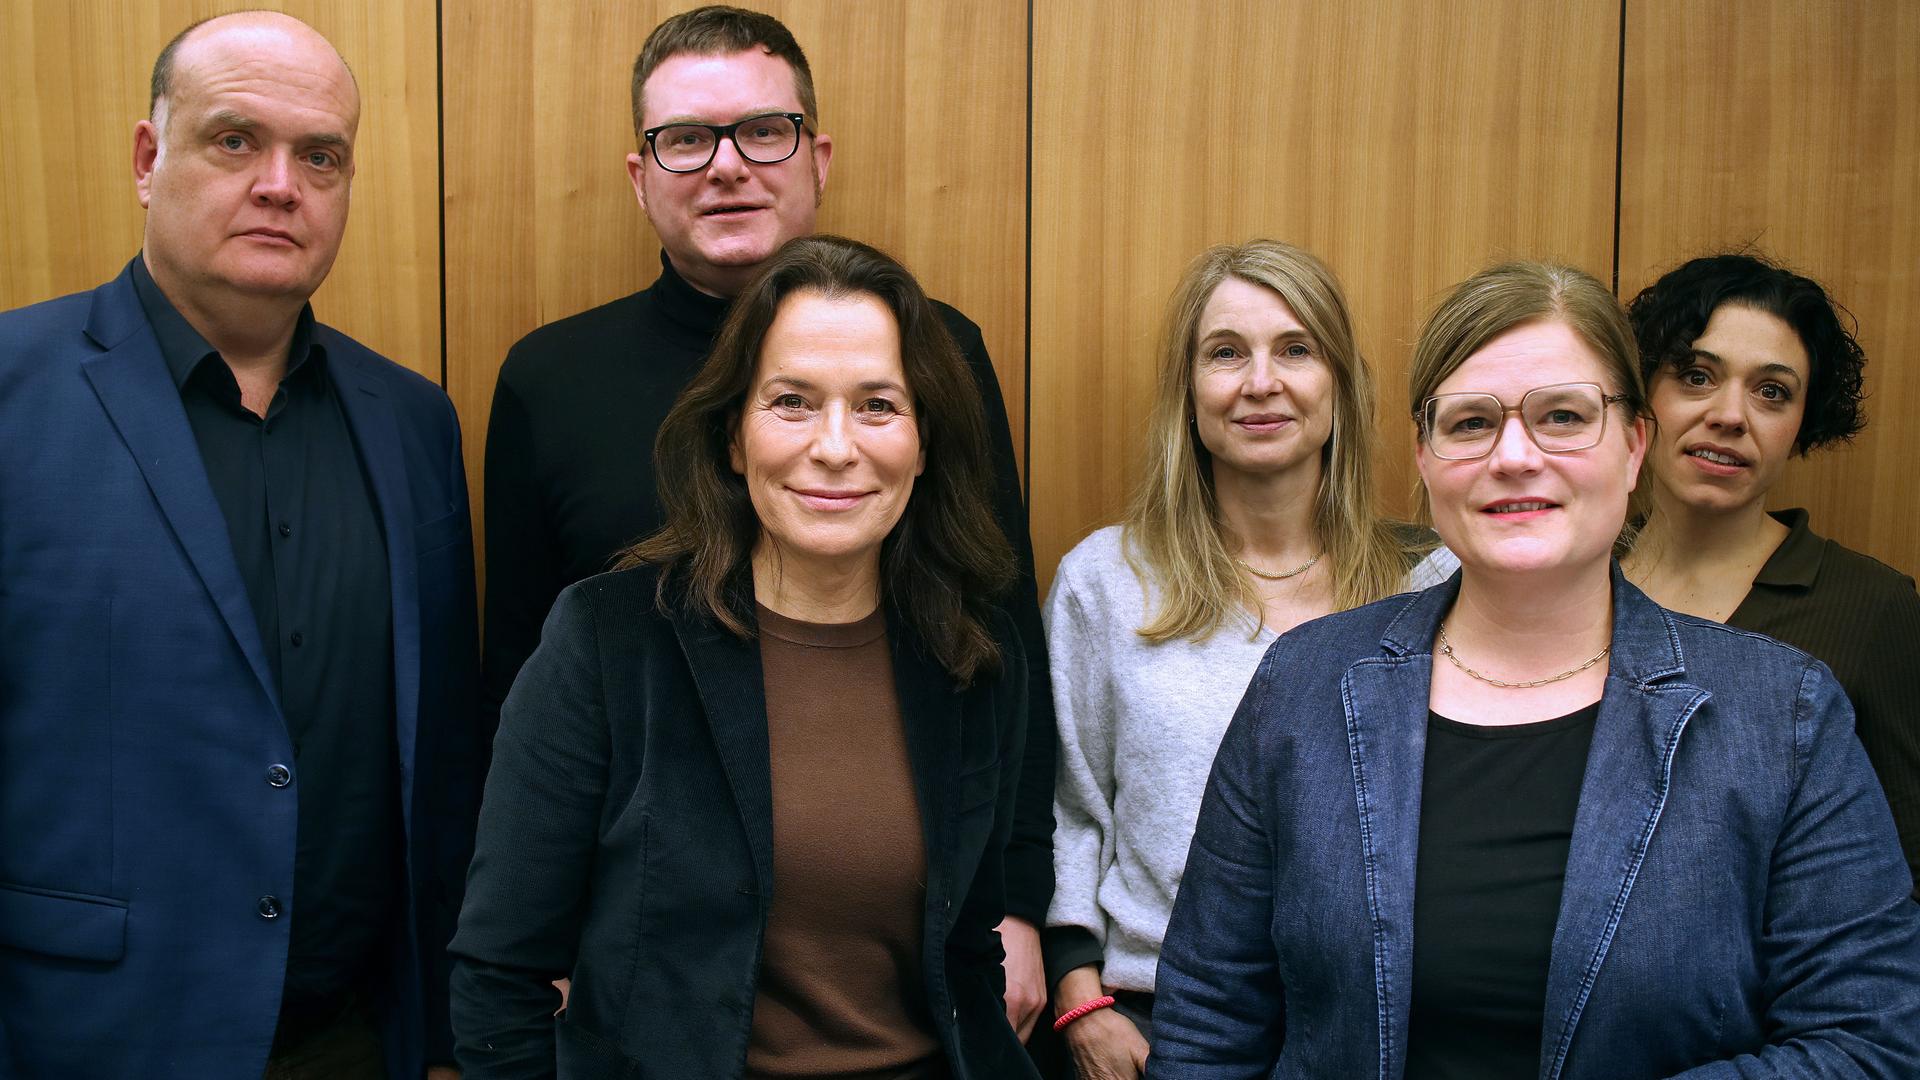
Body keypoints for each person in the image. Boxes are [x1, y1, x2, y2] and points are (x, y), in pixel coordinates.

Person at [1147, 262, 1920, 1077]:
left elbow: (1869, 1043)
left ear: (1633, 444)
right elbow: (1209, 1022)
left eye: (1563, 415)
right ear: (1423, 453)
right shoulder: (1302, 684)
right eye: (1472, 422)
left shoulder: (1784, 714)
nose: (1514, 457)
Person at [478, 6, 1055, 1032]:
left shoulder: (940, 353)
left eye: (764, 131)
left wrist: (1015, 896)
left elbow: (998, 621)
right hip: (650, 956)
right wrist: (542, 934)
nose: (727, 165)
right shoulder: (550, 379)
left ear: (817, 156)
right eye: (686, 139)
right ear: (639, 172)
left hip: (896, 915)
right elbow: (514, 669)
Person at [0, 12, 477, 1079]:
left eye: (321, 155)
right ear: (146, 157)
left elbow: (440, 756)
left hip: (357, 1037)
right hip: (86, 1038)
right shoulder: (9, 392)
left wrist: (444, 1030)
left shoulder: (412, 422)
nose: (280, 183)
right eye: (234, 140)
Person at [449, 235, 1039, 1078]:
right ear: (732, 437)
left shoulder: (974, 655)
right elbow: (499, 974)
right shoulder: (609, 641)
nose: (836, 447)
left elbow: (966, 949)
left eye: (878, 405)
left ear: (925, 444)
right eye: (793, 402)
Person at [1042, 241, 1416, 1079]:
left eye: (1295, 349)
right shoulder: (1106, 581)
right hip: (1150, 1022)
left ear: (1340, 384)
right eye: (1225, 353)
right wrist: (1080, 997)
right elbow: (1069, 807)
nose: (1260, 382)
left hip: (1368, 1028)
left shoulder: (1429, 588)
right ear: (1190, 389)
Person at [1621, 253, 1920, 899]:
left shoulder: (1870, 606)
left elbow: (1906, 871)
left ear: (1802, 424)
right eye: (1697, 376)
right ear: (1643, 395)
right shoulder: (1578, 575)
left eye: (1772, 392)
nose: (1731, 415)